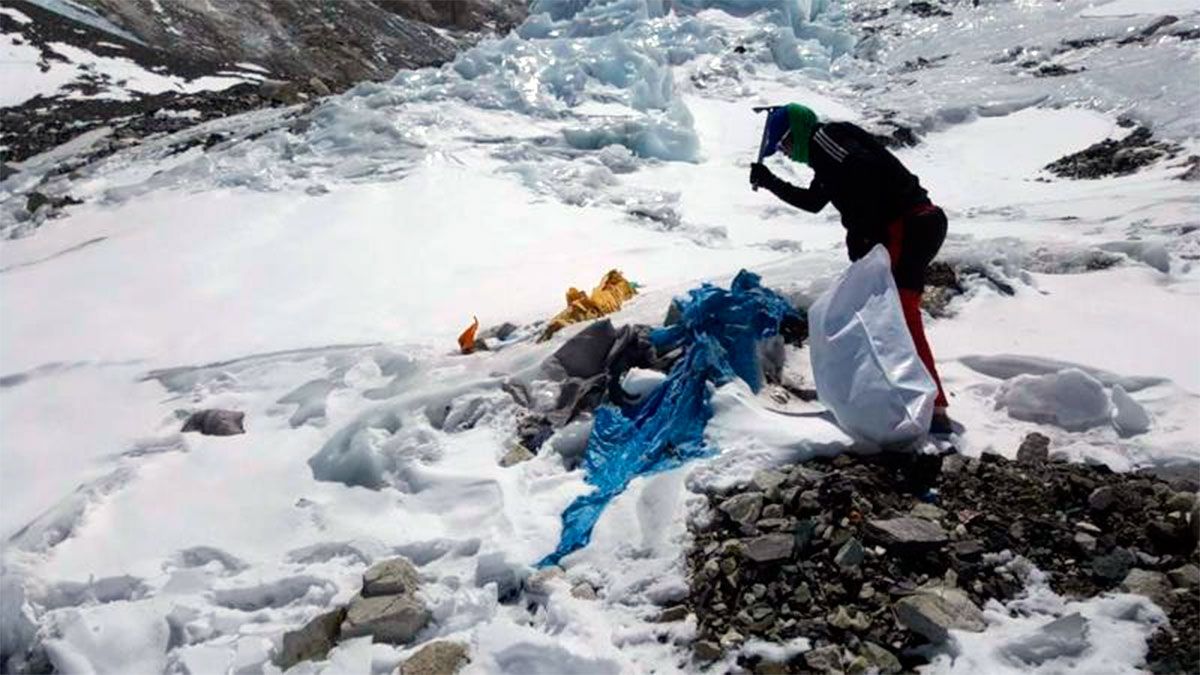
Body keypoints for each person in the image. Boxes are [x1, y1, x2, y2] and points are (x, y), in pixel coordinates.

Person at [749, 103, 952, 434]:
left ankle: (933, 408)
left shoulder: (826, 138)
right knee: (887, 315)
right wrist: (770, 181)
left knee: (900, 316)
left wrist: (866, 232)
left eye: (784, 143)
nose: (785, 152)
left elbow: (864, 169)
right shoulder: (825, 159)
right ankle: (908, 398)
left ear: (797, 131)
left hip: (907, 225)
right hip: (909, 226)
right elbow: (814, 202)